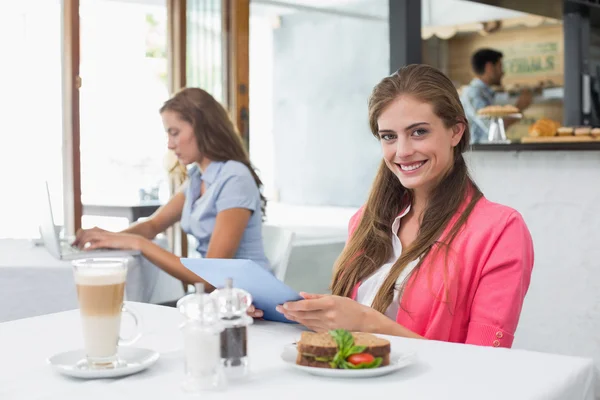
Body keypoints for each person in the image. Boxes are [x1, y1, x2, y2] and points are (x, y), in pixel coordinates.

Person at [277, 65, 534, 348]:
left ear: (456, 132)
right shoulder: (365, 220)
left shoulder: (500, 230)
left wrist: (366, 323)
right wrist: (286, 313)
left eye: (419, 132)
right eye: (388, 136)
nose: (402, 151)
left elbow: (485, 361)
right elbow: (345, 332)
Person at [73, 88, 269, 316]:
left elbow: (210, 276)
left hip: (244, 302)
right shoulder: (198, 178)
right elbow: (153, 225)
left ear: (202, 127)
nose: (170, 144)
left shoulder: (235, 178)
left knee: (135, 315)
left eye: (174, 133)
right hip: (217, 299)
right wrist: (112, 239)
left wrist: (139, 244)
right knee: (130, 312)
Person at [460, 48, 533, 144]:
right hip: (480, 155)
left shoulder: (487, 92)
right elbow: (493, 128)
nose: (503, 72)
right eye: (500, 67)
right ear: (490, 67)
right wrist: (520, 107)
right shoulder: (473, 93)